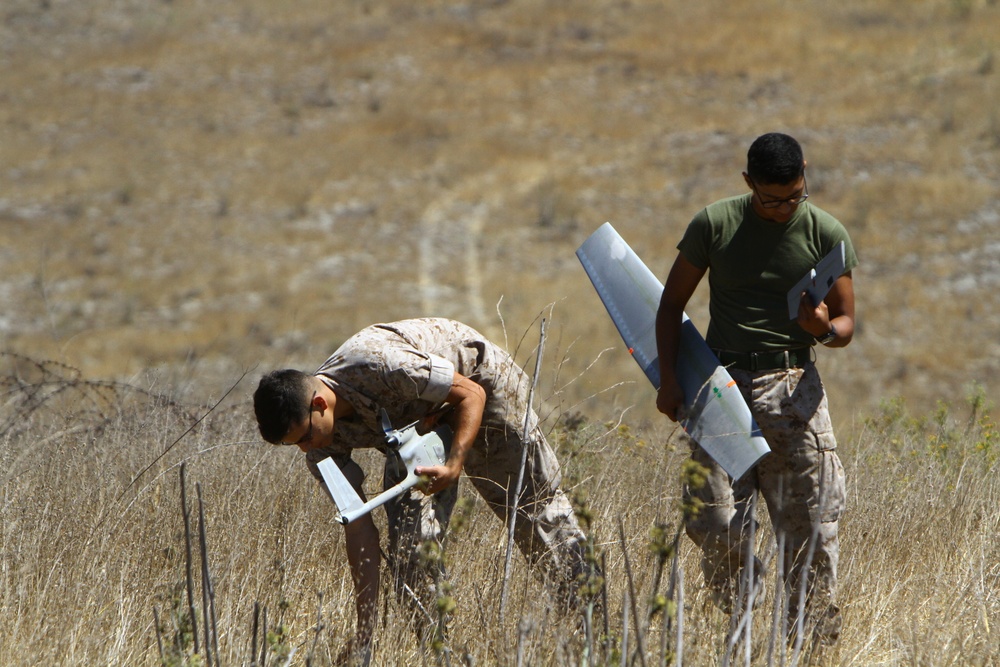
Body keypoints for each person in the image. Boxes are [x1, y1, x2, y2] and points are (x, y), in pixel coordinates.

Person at [253, 317, 596, 663]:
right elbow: (358, 527)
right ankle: (439, 653)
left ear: (319, 405)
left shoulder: (382, 365)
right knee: (409, 549)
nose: (305, 449)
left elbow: (471, 394)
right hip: (413, 428)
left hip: (481, 386)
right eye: (293, 444)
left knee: (532, 511)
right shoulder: (319, 450)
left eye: (305, 436)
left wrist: (455, 463)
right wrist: (364, 635)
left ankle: (592, 630)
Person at [654, 133, 857, 647]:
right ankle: (741, 634)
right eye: (771, 200)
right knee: (715, 520)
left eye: (795, 196)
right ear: (748, 183)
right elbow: (670, 305)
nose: (784, 209)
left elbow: (847, 323)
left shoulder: (825, 232)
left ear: (805, 173)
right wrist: (670, 379)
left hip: (794, 392)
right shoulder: (714, 224)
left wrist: (822, 330)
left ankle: (810, 647)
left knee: (812, 531)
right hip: (721, 389)